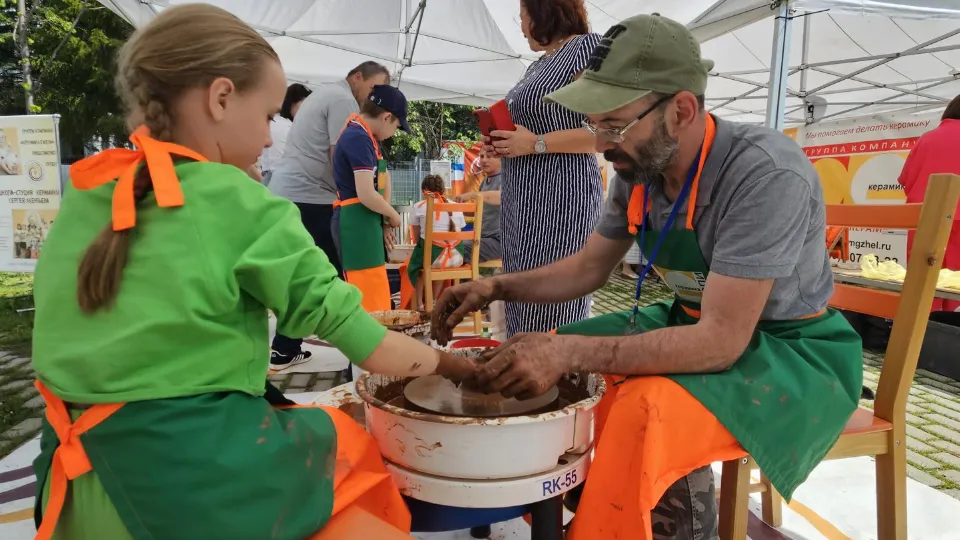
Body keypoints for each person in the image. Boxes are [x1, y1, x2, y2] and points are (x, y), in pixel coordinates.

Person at [29, 5, 476, 539]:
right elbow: (374, 348)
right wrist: (462, 369)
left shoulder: (84, 190)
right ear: (221, 98)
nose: (270, 139)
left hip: (70, 488)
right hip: (185, 489)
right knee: (351, 449)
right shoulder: (242, 202)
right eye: (268, 116)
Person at [433, 14, 863, 540]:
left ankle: (653, 524)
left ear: (680, 110)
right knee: (535, 344)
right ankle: (603, 512)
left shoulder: (766, 173)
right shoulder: (641, 168)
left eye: (613, 125)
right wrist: (497, 286)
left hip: (791, 354)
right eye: (596, 126)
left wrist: (569, 354)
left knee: (640, 402)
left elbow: (721, 343)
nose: (603, 143)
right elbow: (589, 268)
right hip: (694, 322)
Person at [485, 0, 603, 337]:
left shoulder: (586, 48)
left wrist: (535, 143)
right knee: (521, 300)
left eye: (521, 15)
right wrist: (504, 144)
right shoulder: (537, 65)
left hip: (561, 200)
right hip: (522, 203)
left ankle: (558, 384)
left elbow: (608, 130)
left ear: (543, 10)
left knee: (553, 305)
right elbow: (526, 134)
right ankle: (522, 381)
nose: (521, 25)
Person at [267, 61, 390, 369]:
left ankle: (285, 347)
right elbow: (341, 157)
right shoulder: (342, 100)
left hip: (297, 193)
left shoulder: (327, 94)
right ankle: (366, 352)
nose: (373, 98)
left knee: (311, 274)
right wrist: (369, 201)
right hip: (310, 196)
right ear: (358, 77)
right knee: (338, 274)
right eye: (374, 88)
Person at [331, 84, 409, 312]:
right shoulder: (357, 137)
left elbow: (383, 178)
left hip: (367, 222)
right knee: (366, 299)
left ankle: (379, 344)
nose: (395, 132)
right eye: (397, 126)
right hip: (355, 224)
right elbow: (366, 192)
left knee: (376, 294)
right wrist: (392, 214)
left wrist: (384, 223)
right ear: (387, 117)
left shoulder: (367, 136)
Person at [898, 94, 960, 312]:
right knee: (954, 288)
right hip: (958, 221)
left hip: (924, 219)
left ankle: (921, 336)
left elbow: (906, 181)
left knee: (922, 285)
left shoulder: (926, 138)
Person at [408, 174, 467, 310]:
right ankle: (434, 301)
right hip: (457, 258)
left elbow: (417, 239)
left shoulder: (419, 206)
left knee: (417, 267)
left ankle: (420, 305)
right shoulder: (456, 206)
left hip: (434, 259)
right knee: (441, 259)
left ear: (424, 191)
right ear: (443, 190)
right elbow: (461, 230)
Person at [259, 83, 312, 186]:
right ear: (293, 102)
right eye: (304, 104)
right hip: (281, 178)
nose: (307, 109)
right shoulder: (285, 125)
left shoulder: (278, 122)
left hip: (271, 176)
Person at [456, 148, 502, 262]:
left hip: (499, 241)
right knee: (449, 244)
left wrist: (472, 195)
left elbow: (502, 197)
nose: (484, 160)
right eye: (481, 157)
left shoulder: (506, 178)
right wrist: (456, 209)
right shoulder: (484, 182)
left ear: (501, 159)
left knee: (455, 249)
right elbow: (481, 210)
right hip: (482, 238)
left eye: (489, 156)